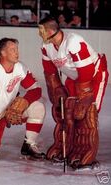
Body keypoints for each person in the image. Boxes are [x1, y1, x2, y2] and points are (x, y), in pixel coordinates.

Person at [38, 16, 109, 169]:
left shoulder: (73, 42)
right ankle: (68, 148)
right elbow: (50, 72)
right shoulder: (46, 46)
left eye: (41, 29)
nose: (39, 33)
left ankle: (86, 151)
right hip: (75, 78)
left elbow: (87, 71)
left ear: (50, 31)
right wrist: (57, 90)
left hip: (94, 76)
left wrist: (84, 98)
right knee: (67, 112)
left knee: (86, 112)